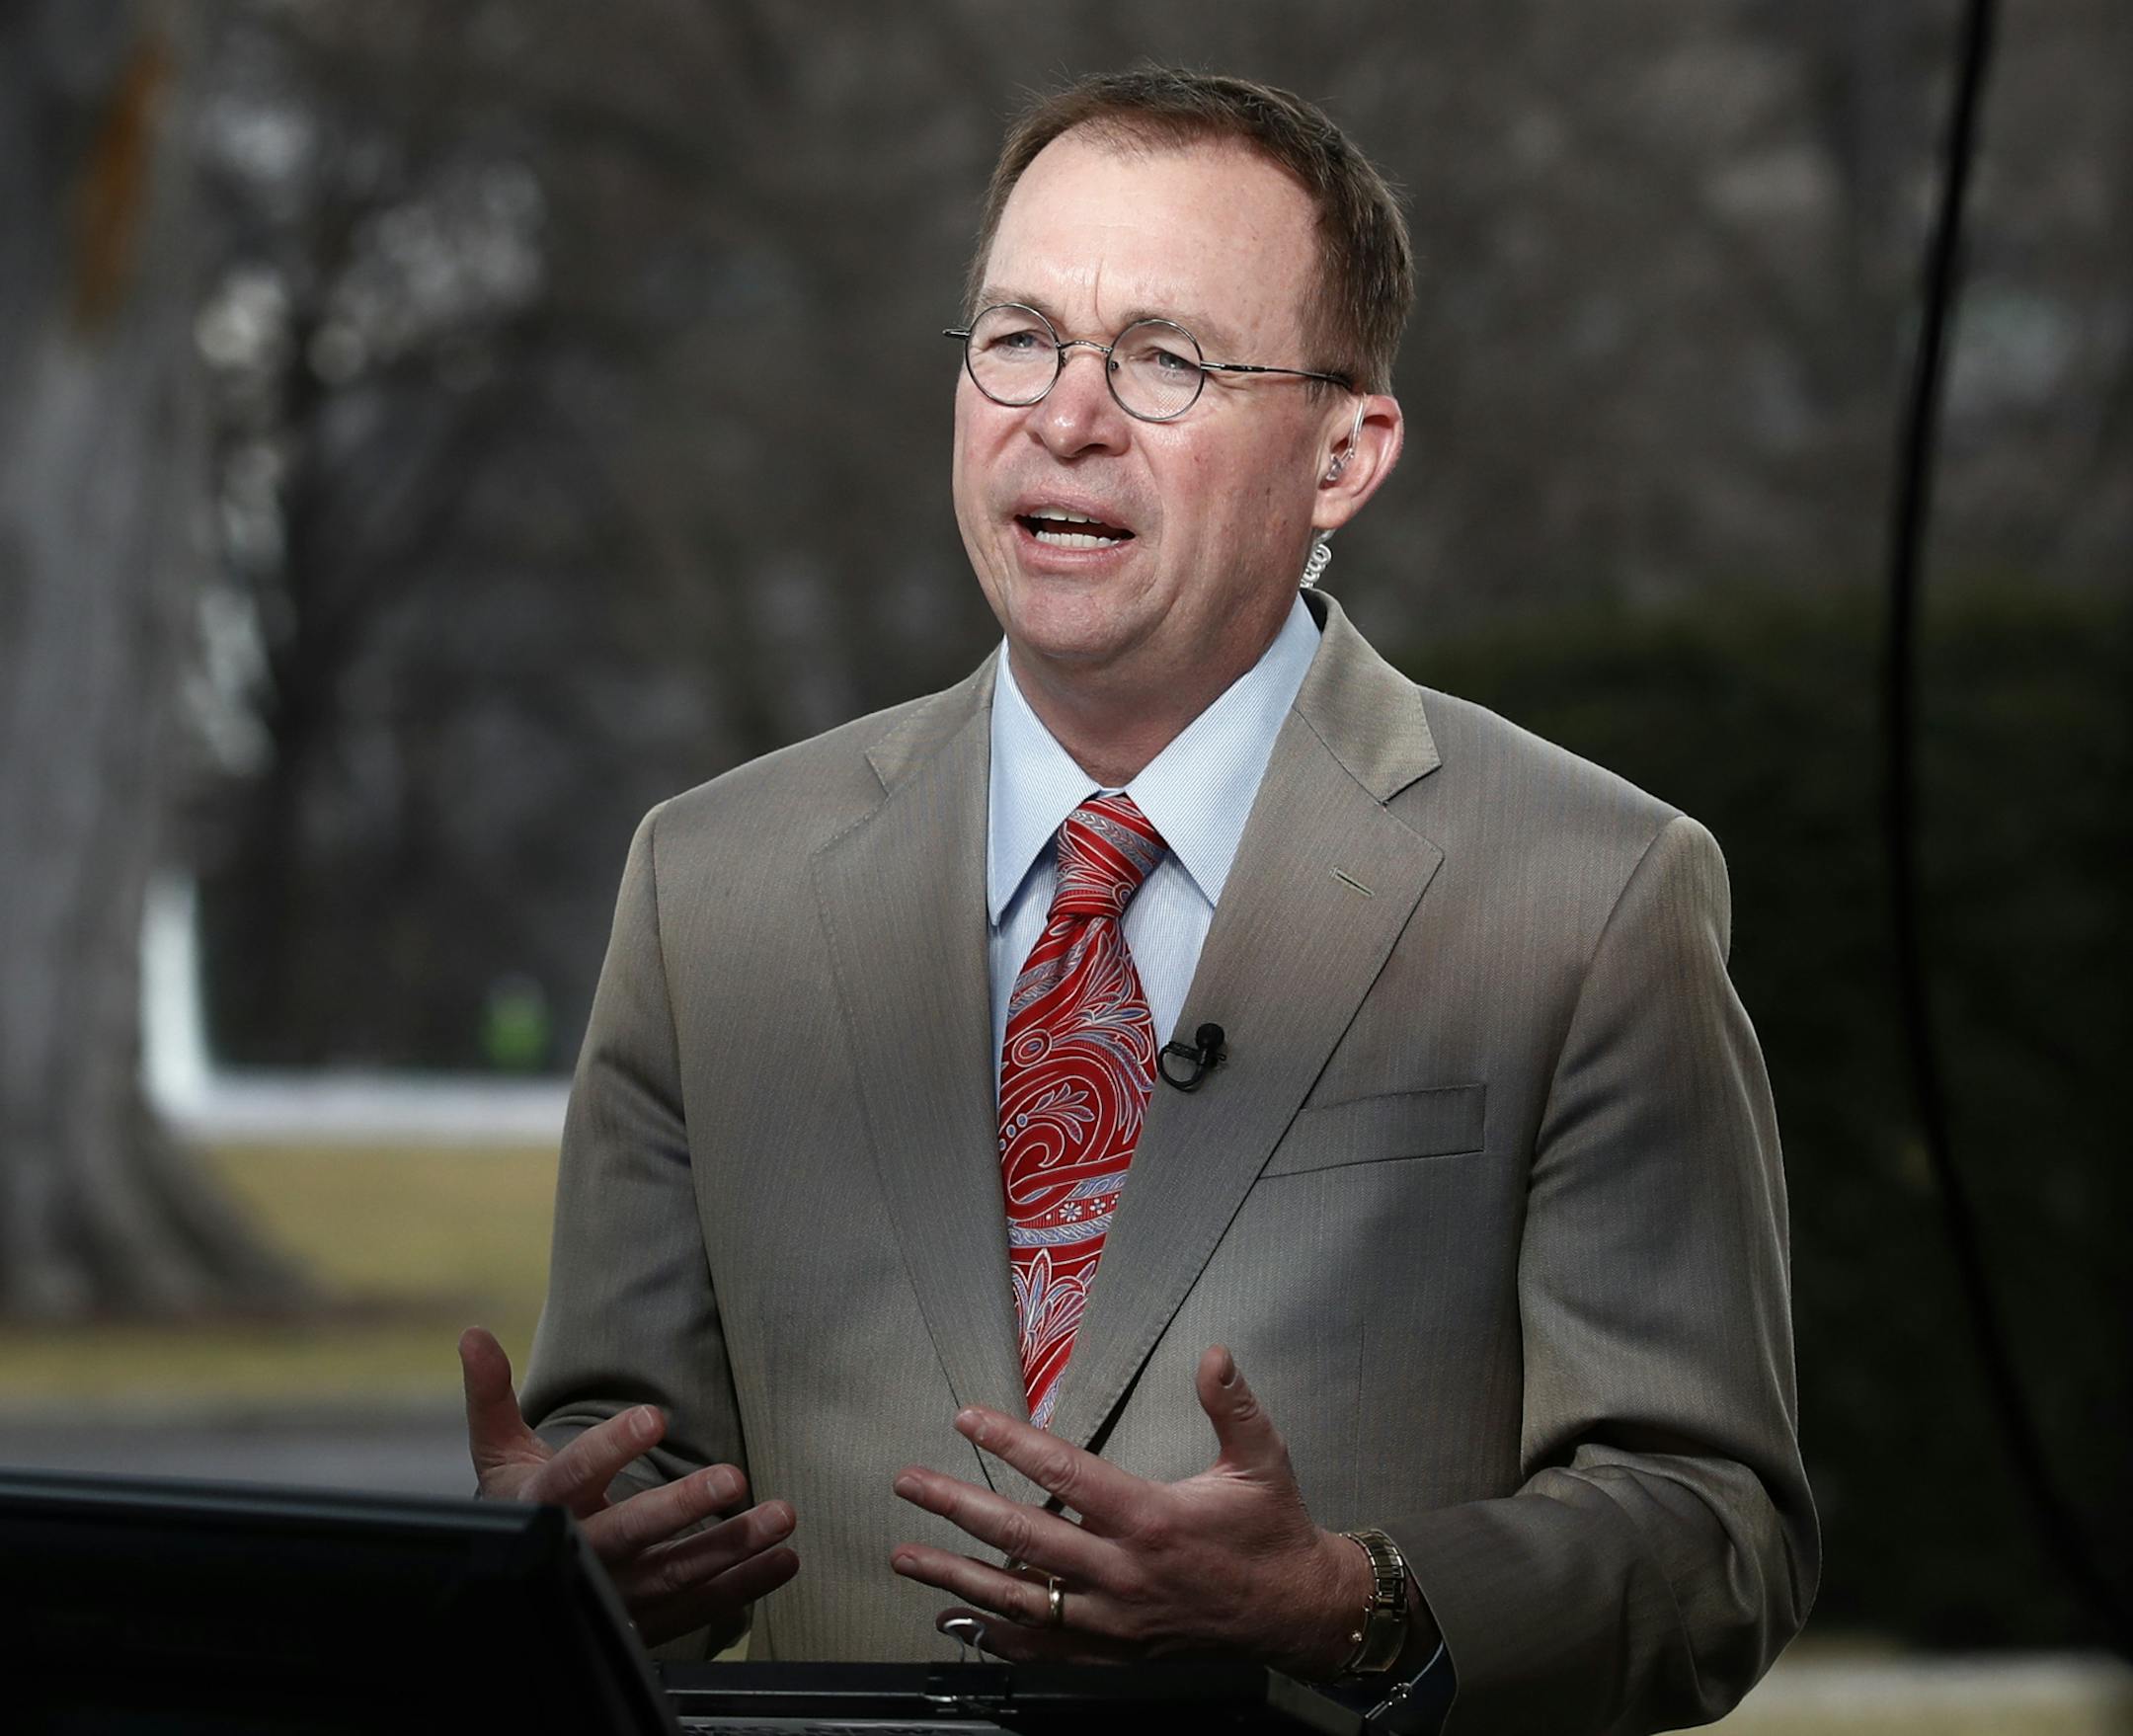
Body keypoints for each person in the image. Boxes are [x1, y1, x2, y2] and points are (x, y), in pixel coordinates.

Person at [458, 68, 1817, 1735]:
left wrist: (1345, 1602)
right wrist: (553, 1577)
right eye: (1019, 338)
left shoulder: (1587, 894)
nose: (1065, 415)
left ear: (1344, 452)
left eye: (1164, 359)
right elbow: (632, 1493)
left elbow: (1712, 1536)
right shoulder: (710, 884)